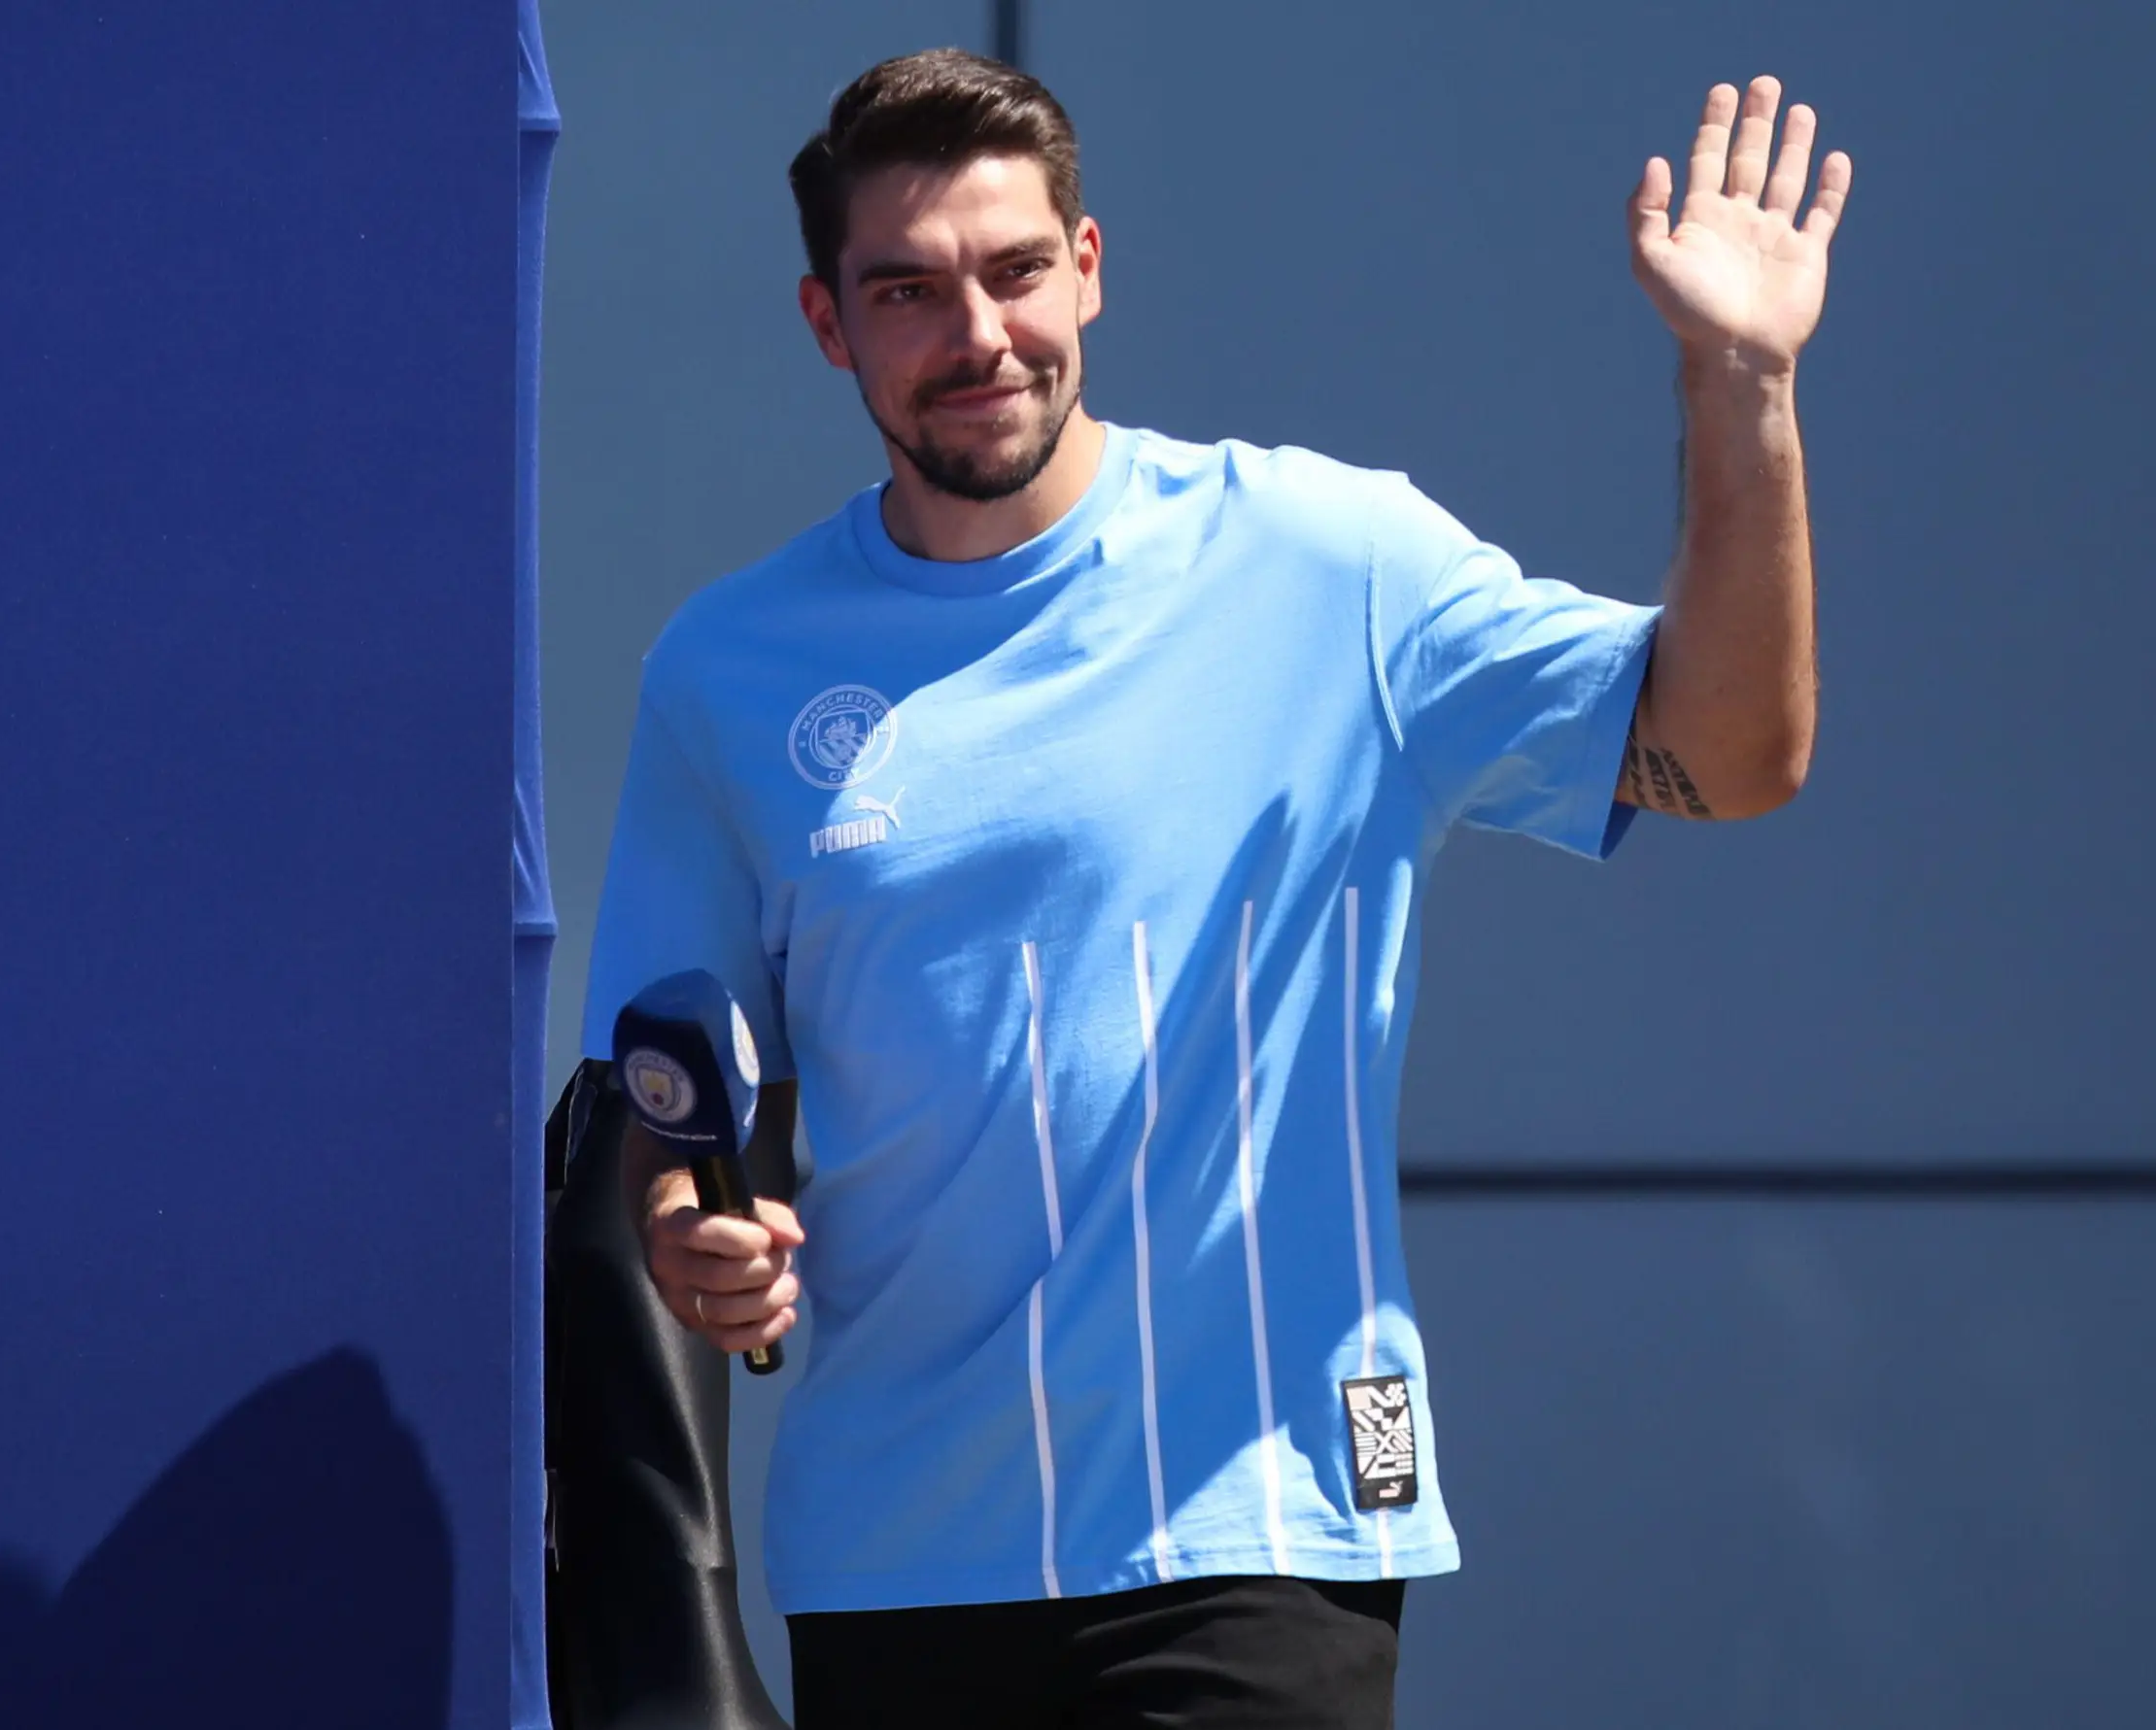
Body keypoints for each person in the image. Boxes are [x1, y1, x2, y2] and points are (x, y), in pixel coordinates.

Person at [579, 48, 1850, 1730]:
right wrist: (696, 1243)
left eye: (1017, 271)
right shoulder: (726, 670)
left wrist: (1738, 384)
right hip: (891, 1563)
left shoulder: (1332, 563)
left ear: (1088, 271)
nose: (978, 337)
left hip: (1255, 1534)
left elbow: (1733, 753)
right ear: (828, 323)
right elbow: (670, 1108)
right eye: (907, 291)